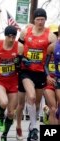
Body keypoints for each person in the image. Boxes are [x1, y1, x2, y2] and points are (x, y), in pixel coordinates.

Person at [16, 8, 57, 140]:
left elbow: (52, 54)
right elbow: (18, 48)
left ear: (45, 20)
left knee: (37, 103)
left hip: (40, 73)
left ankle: (32, 126)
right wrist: (22, 58)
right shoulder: (25, 32)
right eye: (38, 19)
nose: (40, 22)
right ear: (34, 20)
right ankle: (34, 128)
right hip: (26, 71)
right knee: (31, 97)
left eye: (43, 19)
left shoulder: (50, 36)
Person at [0, 25, 24, 141]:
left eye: (14, 37)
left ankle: (4, 135)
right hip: (0, 80)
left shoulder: (20, 47)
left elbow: (19, 68)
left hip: (13, 82)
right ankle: (0, 115)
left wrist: (18, 64)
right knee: (3, 102)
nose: (12, 39)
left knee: (12, 113)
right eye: (9, 37)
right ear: (5, 36)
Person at [42, 24, 59, 125]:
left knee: (57, 110)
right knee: (53, 108)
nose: (56, 37)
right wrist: (47, 76)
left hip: (59, 80)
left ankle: (46, 112)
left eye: (57, 34)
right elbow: (45, 65)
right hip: (49, 82)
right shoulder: (48, 47)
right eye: (54, 34)